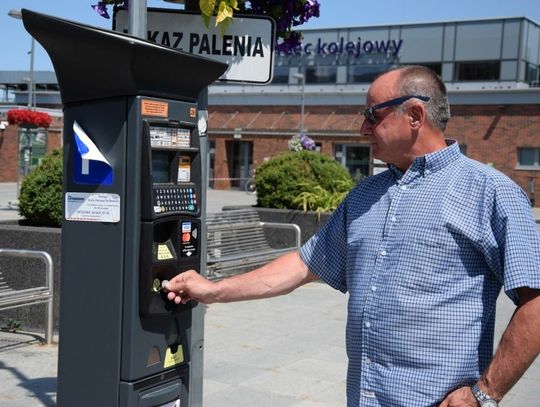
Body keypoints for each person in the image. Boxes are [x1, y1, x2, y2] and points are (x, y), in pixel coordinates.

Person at [165, 65, 540, 407]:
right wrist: (213, 289)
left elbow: (535, 301)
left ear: (414, 115)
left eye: (372, 116)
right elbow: (301, 265)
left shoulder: (490, 192)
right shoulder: (365, 195)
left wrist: (484, 394)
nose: (362, 128)